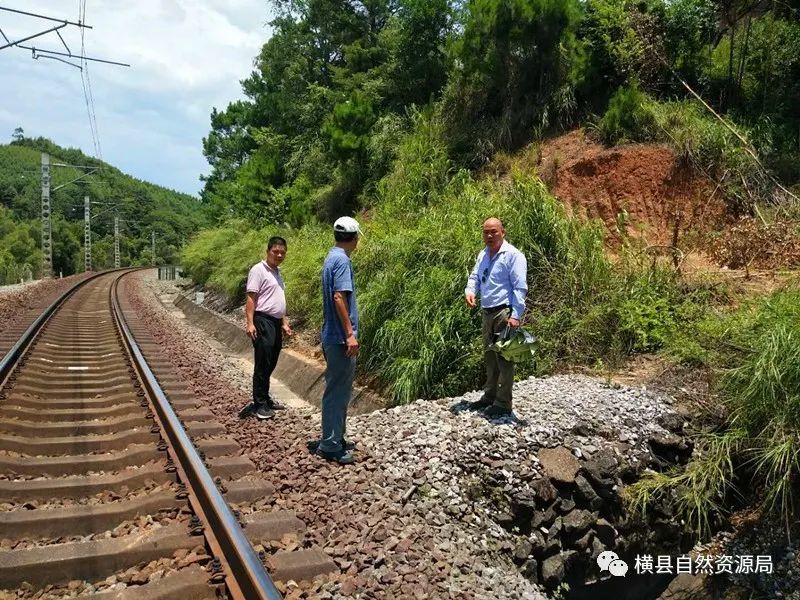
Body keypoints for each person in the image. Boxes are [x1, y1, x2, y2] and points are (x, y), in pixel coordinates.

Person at [308, 216, 361, 464]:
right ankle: (330, 444)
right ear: (354, 237)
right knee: (337, 392)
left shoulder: (332, 257)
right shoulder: (341, 260)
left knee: (338, 389)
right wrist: (350, 334)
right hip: (340, 338)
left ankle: (336, 437)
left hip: (332, 335)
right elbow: (339, 297)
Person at [464, 218, 528, 417]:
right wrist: (470, 290)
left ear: (503, 232)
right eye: (486, 232)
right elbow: (475, 277)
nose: (489, 236)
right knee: (490, 357)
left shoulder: (513, 256)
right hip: (487, 312)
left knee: (505, 359)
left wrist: (516, 315)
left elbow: (520, 287)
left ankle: (503, 403)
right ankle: (489, 397)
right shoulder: (483, 254)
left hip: (505, 313)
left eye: (494, 232)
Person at [239, 236, 293, 420]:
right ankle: (259, 404)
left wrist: (284, 322)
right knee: (263, 362)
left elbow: (279, 299)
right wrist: (250, 322)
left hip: (275, 322)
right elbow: (251, 298)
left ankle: (265, 398)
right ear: (268, 251)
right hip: (262, 320)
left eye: (282, 252)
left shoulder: (277, 272)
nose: (279, 255)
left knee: (271, 361)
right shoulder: (258, 270)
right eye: (275, 251)